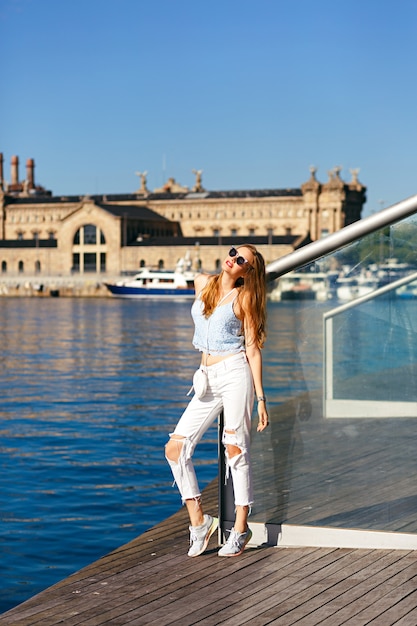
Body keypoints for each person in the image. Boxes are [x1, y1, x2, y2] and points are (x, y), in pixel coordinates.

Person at [165, 244, 269, 557]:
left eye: (242, 260)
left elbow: (252, 349)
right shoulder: (202, 283)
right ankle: (200, 522)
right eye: (234, 251)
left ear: (247, 272)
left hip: (235, 373)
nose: (233, 258)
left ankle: (240, 527)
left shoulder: (245, 297)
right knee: (175, 448)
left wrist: (261, 398)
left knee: (235, 448)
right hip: (205, 376)